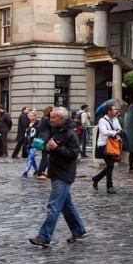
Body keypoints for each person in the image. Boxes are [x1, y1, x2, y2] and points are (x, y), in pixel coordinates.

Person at [28, 106, 86, 247]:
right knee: (66, 204)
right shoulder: (56, 130)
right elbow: (51, 146)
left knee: (53, 206)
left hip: (64, 174)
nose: (51, 119)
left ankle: (44, 236)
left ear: (62, 119)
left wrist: (56, 148)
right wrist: (47, 147)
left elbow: (73, 154)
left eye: (53, 117)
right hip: (55, 172)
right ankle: (78, 229)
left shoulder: (71, 134)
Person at [92, 103, 123, 194]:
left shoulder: (115, 119)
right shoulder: (102, 120)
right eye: (113, 109)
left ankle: (96, 178)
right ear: (109, 111)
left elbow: (119, 129)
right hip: (103, 145)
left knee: (110, 165)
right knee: (110, 165)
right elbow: (104, 132)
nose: (115, 111)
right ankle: (109, 186)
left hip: (113, 145)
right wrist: (115, 132)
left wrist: (117, 132)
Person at [34, 107, 53, 179]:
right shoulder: (47, 120)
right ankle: (40, 172)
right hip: (46, 139)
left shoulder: (42, 119)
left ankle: (41, 171)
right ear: (49, 112)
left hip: (42, 139)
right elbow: (52, 128)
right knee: (45, 157)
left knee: (45, 156)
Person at [22, 112, 39, 177]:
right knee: (32, 158)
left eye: (31, 116)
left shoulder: (38, 124)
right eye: (29, 116)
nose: (30, 117)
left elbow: (39, 133)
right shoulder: (27, 124)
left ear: (35, 116)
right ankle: (37, 170)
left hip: (34, 143)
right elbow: (25, 133)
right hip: (27, 143)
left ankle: (25, 172)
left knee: (30, 158)